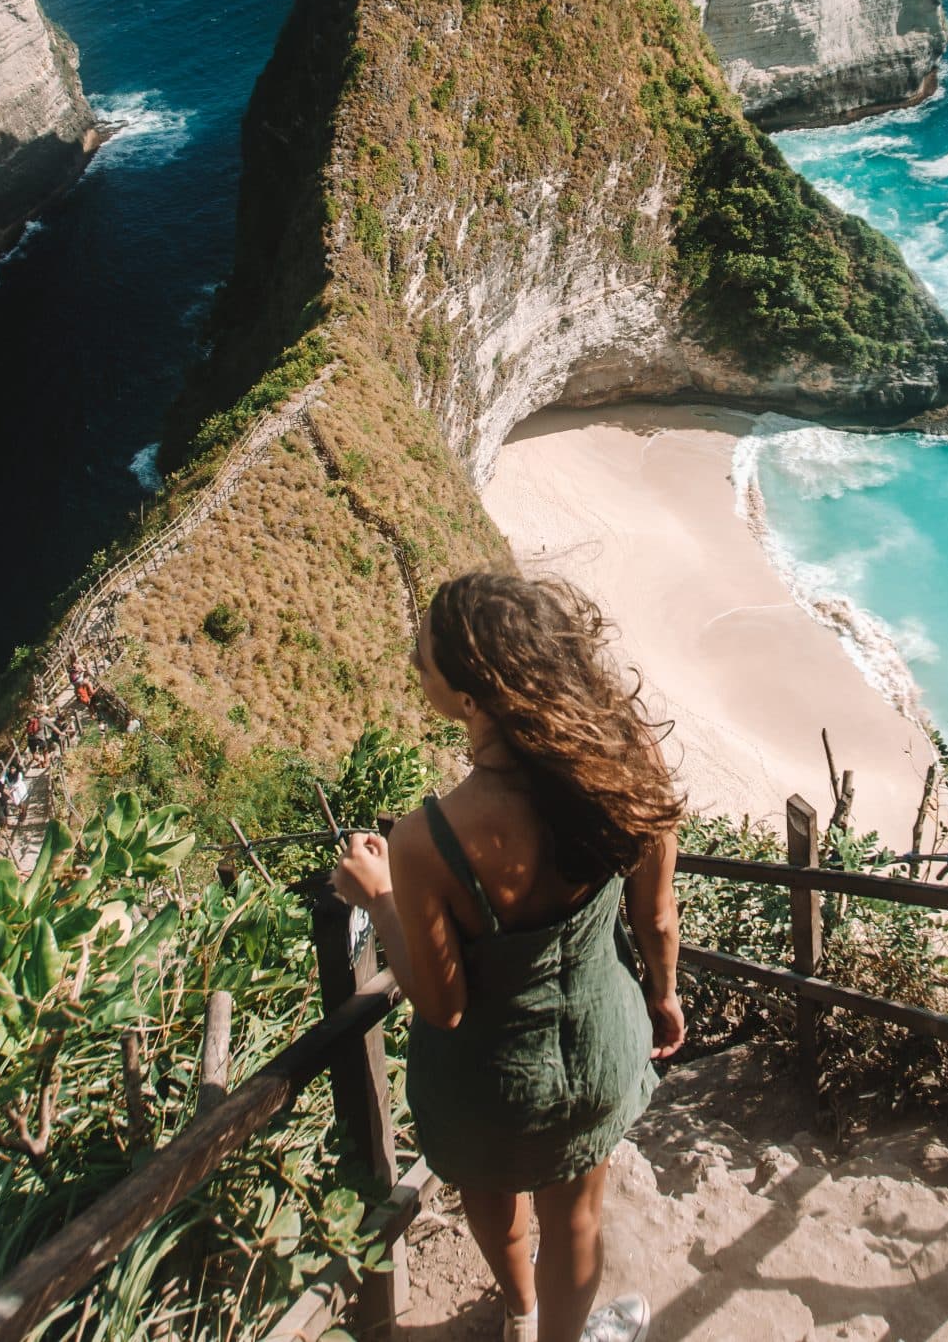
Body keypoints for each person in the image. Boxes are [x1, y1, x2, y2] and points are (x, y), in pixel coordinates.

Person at [333, 572, 684, 1342]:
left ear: (469, 700)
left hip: (483, 1077)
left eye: (423, 660)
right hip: (597, 1042)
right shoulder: (626, 768)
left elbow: (443, 1003)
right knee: (578, 1220)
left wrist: (380, 896)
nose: (413, 666)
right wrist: (665, 995)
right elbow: (655, 916)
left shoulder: (428, 840)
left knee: (490, 1195)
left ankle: (518, 1317)